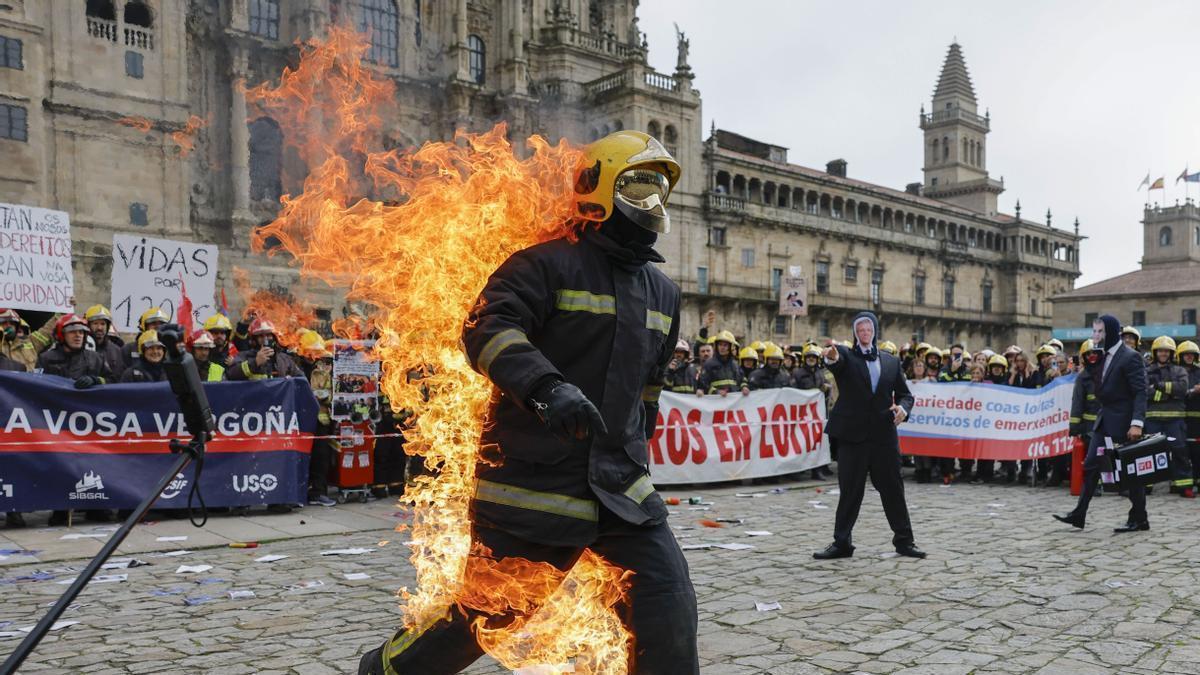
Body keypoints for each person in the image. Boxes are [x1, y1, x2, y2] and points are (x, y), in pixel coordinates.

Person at [360, 130, 697, 674]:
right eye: (638, 185)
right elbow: (487, 327)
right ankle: (386, 669)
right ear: (598, 187)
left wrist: (636, 438)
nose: (653, 201)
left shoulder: (664, 292)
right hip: (533, 493)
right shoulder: (542, 264)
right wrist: (547, 388)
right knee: (485, 622)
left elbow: (649, 383)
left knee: (669, 616)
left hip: (622, 493)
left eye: (660, 188)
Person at [813, 312, 923, 560]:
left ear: (874, 331)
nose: (864, 333)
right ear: (855, 333)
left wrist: (903, 409)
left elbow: (906, 394)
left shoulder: (891, 362)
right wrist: (831, 356)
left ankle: (905, 541)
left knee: (894, 489)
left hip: (883, 435)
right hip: (853, 436)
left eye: (868, 329)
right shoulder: (847, 356)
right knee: (850, 491)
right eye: (859, 329)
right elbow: (836, 360)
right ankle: (842, 543)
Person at [1055, 314, 1149, 533]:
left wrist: (1137, 423)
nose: (1095, 336)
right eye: (1094, 331)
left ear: (1111, 332)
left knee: (1130, 471)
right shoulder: (1101, 357)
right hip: (1103, 421)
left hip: (1124, 423)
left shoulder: (1130, 357)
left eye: (1100, 331)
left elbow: (1140, 392)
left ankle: (1139, 517)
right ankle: (1079, 514)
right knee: (1091, 466)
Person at [38, 314, 114, 526]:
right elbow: (36, 385)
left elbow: (113, 381)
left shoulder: (95, 358)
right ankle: (61, 509)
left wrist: (96, 380)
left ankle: (96, 507)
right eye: (73, 332)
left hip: (89, 421)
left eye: (81, 332)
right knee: (61, 465)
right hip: (58, 421)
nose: (78, 336)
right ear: (62, 335)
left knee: (93, 463)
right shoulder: (46, 358)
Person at [228, 317, 304, 514]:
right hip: (250, 420)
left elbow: (302, 381)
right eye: (260, 336)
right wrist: (256, 362)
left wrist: (291, 383)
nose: (264, 340)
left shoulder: (284, 360)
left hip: (277, 421)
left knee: (278, 460)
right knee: (246, 461)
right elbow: (232, 375)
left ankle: (280, 500)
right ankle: (241, 501)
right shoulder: (243, 356)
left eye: (267, 335)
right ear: (253, 339)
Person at [1144, 336, 1192, 498]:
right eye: (1160, 351)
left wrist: (1159, 386)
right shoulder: (1147, 370)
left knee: (1179, 451)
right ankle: (1146, 485)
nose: (1163, 354)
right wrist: (1168, 393)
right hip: (1152, 419)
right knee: (1148, 453)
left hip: (1175, 419)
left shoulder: (1180, 370)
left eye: (1166, 351)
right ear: (1155, 352)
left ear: (1171, 353)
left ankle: (1183, 486)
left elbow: (1183, 389)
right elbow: (1144, 392)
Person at [300, 331, 338, 507]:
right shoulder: (295, 367)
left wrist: (324, 397)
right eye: (310, 351)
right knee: (300, 458)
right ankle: (299, 492)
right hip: (300, 421)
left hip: (321, 421)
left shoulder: (322, 370)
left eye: (316, 352)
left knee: (321, 457)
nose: (313, 355)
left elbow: (330, 394)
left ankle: (318, 493)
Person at [1177, 340, 1200, 492]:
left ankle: (1197, 480)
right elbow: (1176, 392)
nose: (1189, 356)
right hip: (1180, 416)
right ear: (1180, 355)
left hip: (1197, 418)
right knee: (1182, 450)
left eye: (1192, 354)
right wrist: (1192, 392)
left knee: (1197, 451)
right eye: (1186, 354)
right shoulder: (1176, 371)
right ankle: (1182, 482)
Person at [697, 330, 745, 396]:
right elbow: (703, 385)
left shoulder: (735, 364)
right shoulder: (709, 364)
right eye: (720, 345)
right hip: (716, 402)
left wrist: (744, 387)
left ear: (731, 347)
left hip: (733, 403)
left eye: (725, 345)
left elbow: (742, 380)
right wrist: (716, 392)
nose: (722, 348)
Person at [84, 304, 126, 380]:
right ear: (88, 325)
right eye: (95, 323)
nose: (99, 328)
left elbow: (118, 378)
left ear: (107, 326)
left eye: (103, 324)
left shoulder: (116, 350)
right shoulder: (81, 347)